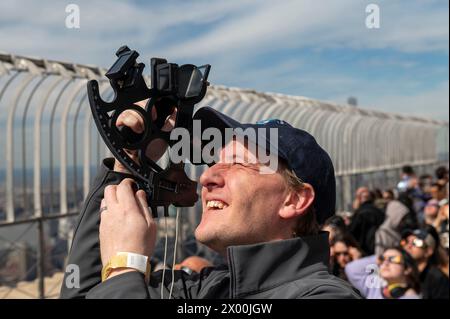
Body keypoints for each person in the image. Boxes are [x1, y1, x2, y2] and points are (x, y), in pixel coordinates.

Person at [60, 105, 361, 299]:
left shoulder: (326, 296)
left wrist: (125, 270)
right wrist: (128, 162)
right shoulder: (207, 289)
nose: (206, 179)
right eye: (214, 163)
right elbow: (85, 293)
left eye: (238, 164)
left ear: (294, 199)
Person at [345, 247, 421, 299]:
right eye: (383, 259)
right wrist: (377, 258)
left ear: (407, 269)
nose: (386, 263)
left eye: (393, 259)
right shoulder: (375, 287)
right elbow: (351, 269)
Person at [401, 226, 449, 299]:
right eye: (407, 241)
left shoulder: (437, 279)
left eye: (417, 242)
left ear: (428, 251)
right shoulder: (403, 273)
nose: (409, 246)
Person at [348, 187, 385, 255]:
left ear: (359, 198)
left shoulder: (359, 213)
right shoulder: (379, 212)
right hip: (379, 248)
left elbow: (351, 233)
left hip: (363, 251)